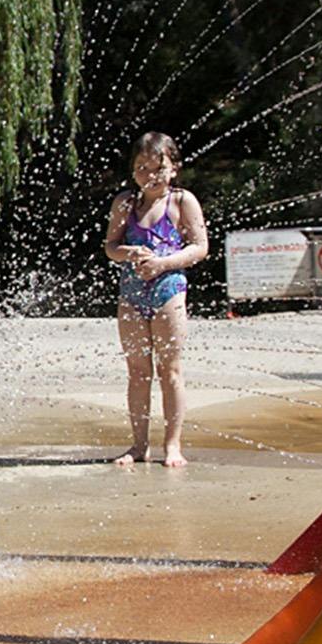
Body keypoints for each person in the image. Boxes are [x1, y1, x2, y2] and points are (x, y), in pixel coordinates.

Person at [101, 131, 208, 468]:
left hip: (169, 292)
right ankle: (139, 445)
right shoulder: (125, 203)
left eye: (158, 168)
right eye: (142, 168)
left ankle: (172, 445)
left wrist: (163, 263)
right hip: (131, 295)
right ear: (133, 170)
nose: (150, 175)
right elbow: (110, 247)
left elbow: (200, 247)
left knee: (170, 370)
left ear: (174, 167)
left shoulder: (182, 201)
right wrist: (129, 252)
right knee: (137, 372)